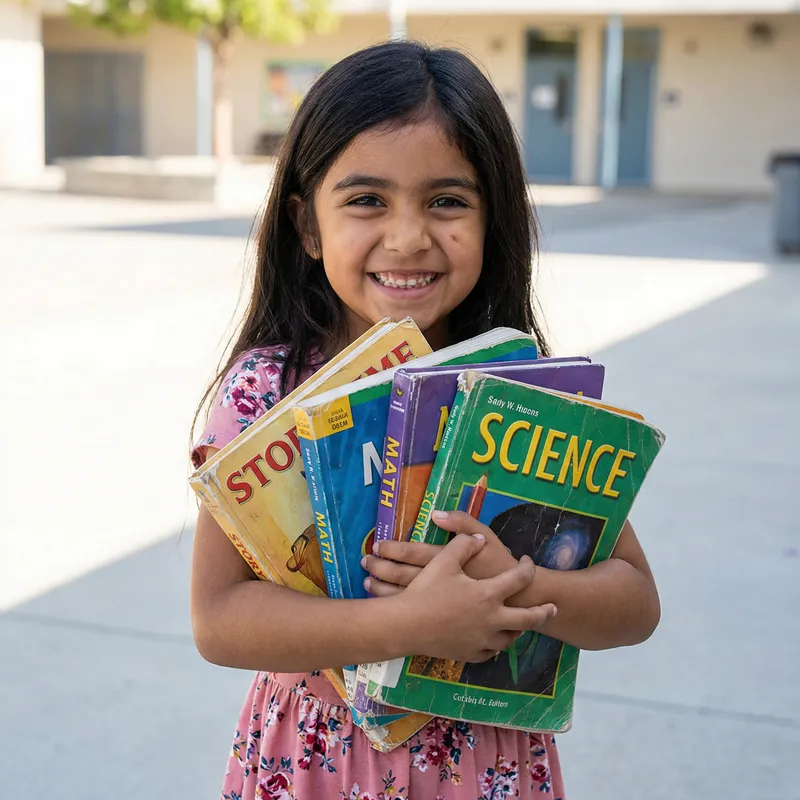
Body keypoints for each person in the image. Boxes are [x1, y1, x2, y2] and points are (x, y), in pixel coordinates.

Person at [190, 41, 661, 800]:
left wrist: (517, 585)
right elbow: (219, 620)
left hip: (485, 766)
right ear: (307, 227)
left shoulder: (527, 396)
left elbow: (634, 603)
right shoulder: (264, 393)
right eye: (367, 200)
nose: (408, 238)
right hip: (316, 763)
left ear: (492, 220)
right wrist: (412, 626)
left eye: (447, 201)